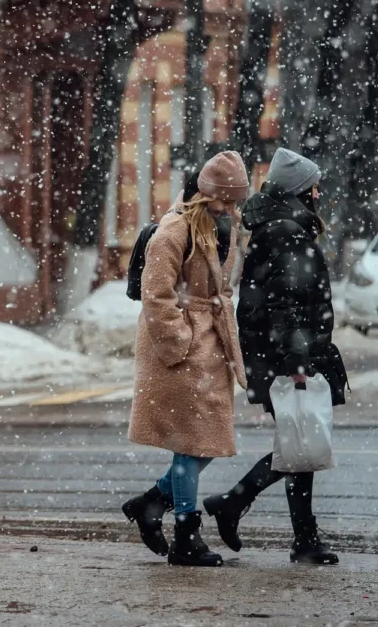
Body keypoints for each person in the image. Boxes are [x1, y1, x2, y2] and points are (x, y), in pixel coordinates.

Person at [202, 147, 345, 565]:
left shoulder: (281, 225)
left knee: (297, 444)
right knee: (299, 445)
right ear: (299, 189)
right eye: (313, 186)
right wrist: (296, 361)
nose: (318, 193)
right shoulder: (285, 230)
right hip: (285, 355)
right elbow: (285, 302)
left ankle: (254, 513)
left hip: (279, 352)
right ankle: (240, 507)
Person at [122, 151, 250, 566]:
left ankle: (152, 502)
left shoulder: (219, 225)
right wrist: (180, 340)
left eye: (235, 201)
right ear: (206, 194)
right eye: (224, 199)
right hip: (182, 351)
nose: (230, 208)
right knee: (190, 443)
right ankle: (186, 536)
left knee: (206, 441)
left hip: (209, 345)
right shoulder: (174, 230)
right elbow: (156, 295)